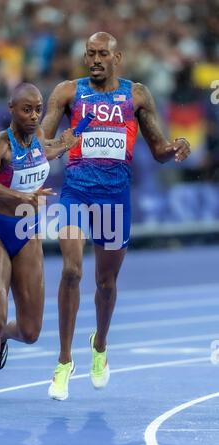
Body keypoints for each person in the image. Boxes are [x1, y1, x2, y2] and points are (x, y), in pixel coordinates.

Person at [41, 32, 191, 400]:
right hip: (76, 192)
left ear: (117, 57)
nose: (94, 59)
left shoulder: (136, 94)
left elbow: (158, 149)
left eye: (102, 54)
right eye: (89, 53)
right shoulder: (67, 92)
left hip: (115, 199)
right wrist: (62, 143)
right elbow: (41, 146)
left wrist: (175, 148)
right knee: (72, 270)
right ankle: (63, 361)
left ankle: (100, 345)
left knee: (105, 284)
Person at [0, 82, 79, 423]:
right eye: (26, 109)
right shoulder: (0, 145)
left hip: (27, 234)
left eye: (38, 109)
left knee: (29, 332)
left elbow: (49, 150)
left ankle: (3, 338)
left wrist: (67, 144)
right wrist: (23, 197)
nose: (33, 115)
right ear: (12, 108)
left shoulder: (38, 140)